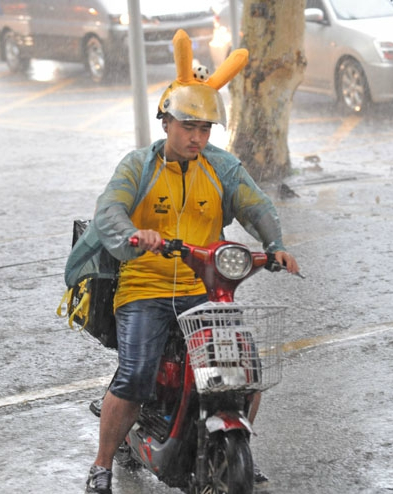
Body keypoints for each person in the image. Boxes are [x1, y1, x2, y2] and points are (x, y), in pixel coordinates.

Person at [81, 30, 300, 494]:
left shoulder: (220, 167)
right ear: (166, 123)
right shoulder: (138, 166)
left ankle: (233, 444)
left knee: (246, 373)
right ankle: (101, 463)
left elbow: (255, 205)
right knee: (136, 375)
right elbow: (109, 211)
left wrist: (275, 243)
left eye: (205, 129)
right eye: (188, 127)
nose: (197, 138)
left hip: (204, 289)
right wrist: (134, 236)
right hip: (146, 286)